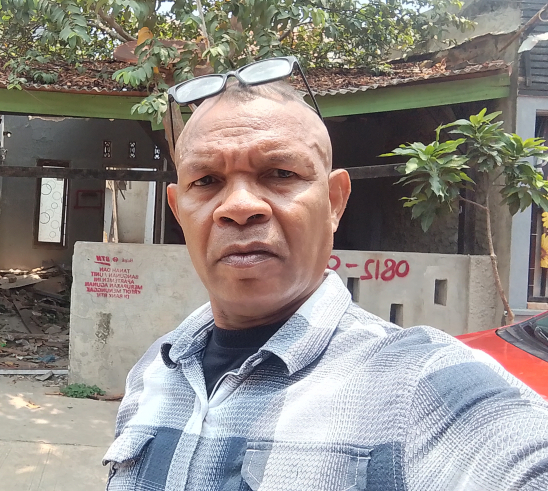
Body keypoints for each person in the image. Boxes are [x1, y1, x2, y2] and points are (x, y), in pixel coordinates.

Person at [103, 61, 548, 491]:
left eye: (280, 173)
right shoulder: (154, 372)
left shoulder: (419, 385)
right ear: (179, 211)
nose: (238, 207)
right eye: (206, 181)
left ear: (335, 201)